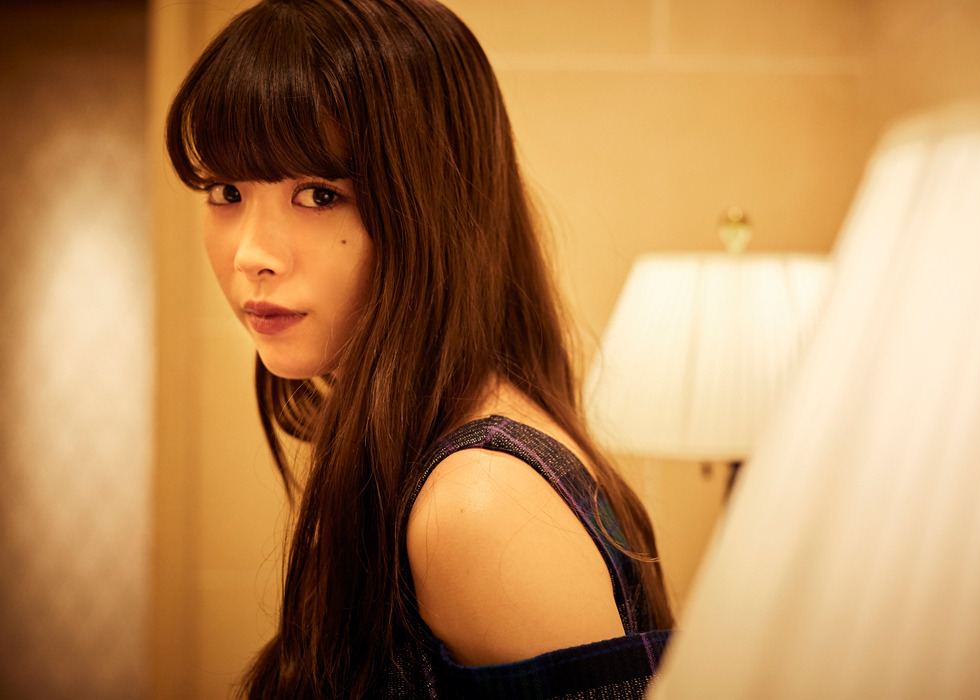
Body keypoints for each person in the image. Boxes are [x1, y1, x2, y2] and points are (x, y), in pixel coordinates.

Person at [165, 0, 673, 697]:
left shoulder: (480, 501)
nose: (251, 254)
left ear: (431, 206)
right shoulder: (427, 450)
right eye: (226, 190)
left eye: (318, 195)